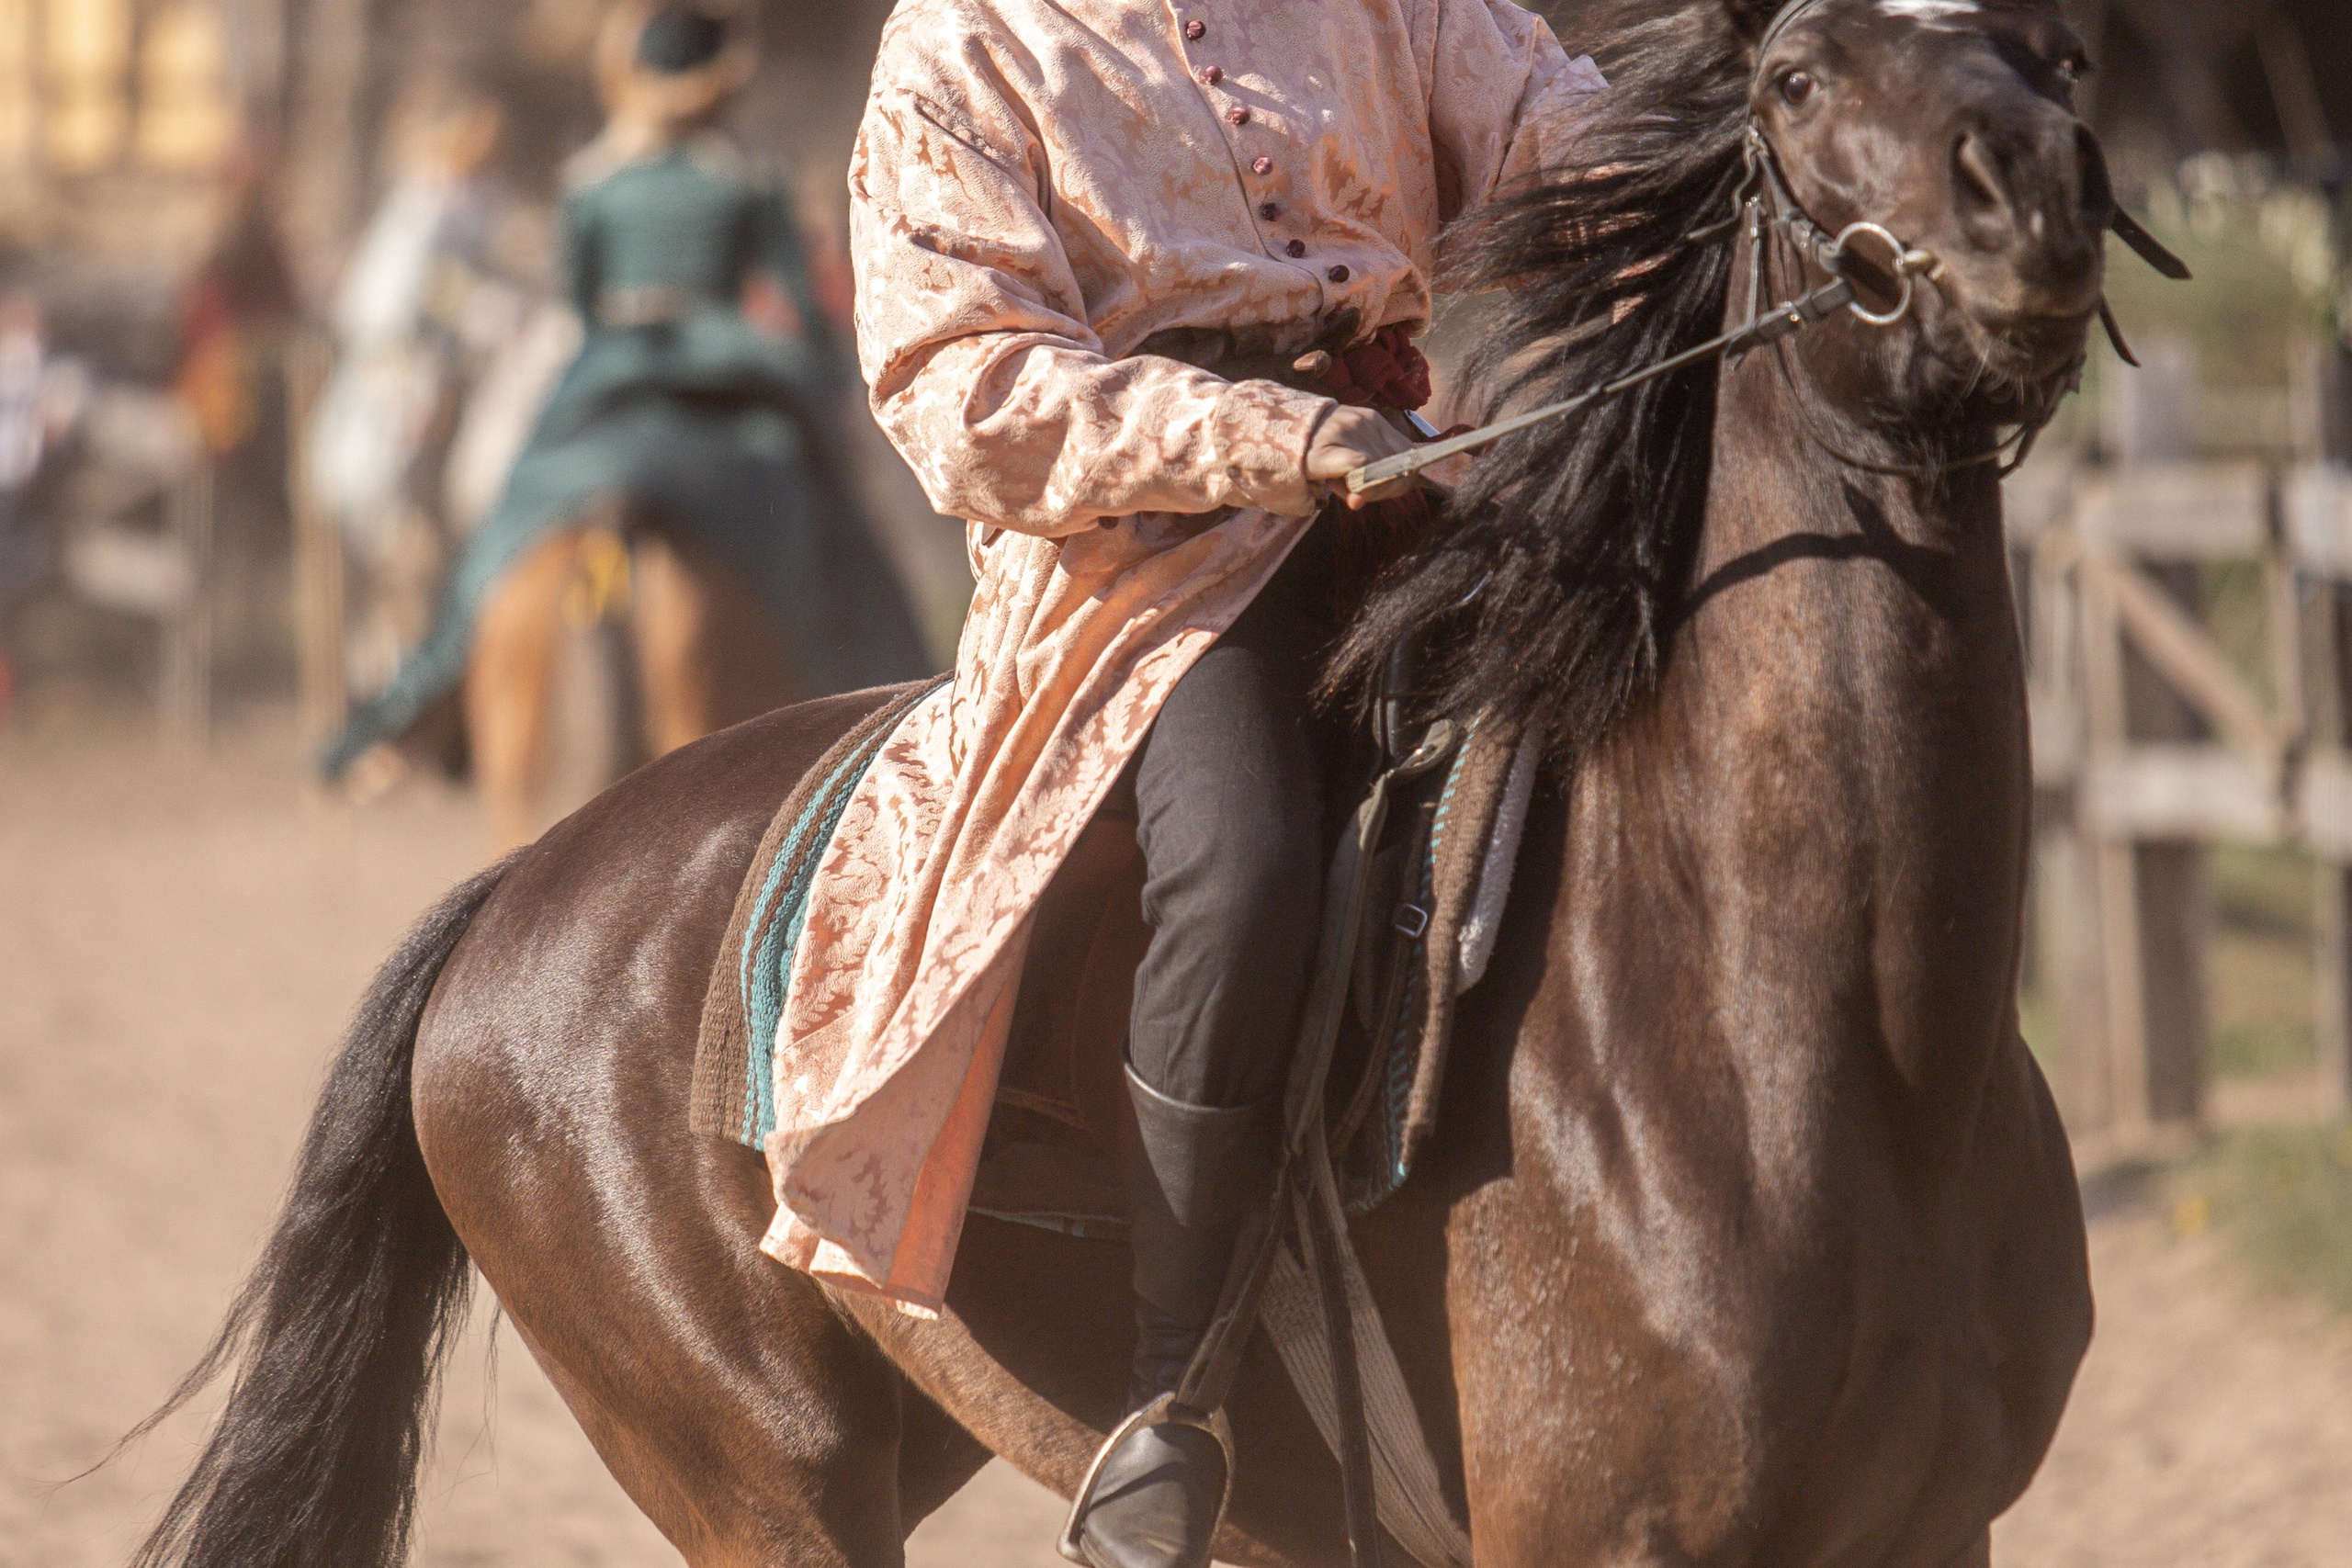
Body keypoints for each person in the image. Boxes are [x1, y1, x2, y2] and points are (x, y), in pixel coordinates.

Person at [760, 6, 1604, 1564]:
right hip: (1150, 562)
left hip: (1428, 483)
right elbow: (964, 392)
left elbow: (1562, 143)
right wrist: (1274, 435)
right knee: (1246, 860)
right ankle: (1177, 1394)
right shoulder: (966, 41)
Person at [321, 1, 927, 782]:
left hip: (607, 379)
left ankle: (425, 698)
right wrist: (824, 376)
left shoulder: (592, 183)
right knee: (838, 518)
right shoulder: (750, 177)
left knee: (502, 523)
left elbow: (578, 309)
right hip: (734, 376)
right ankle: (889, 702)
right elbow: (801, 310)